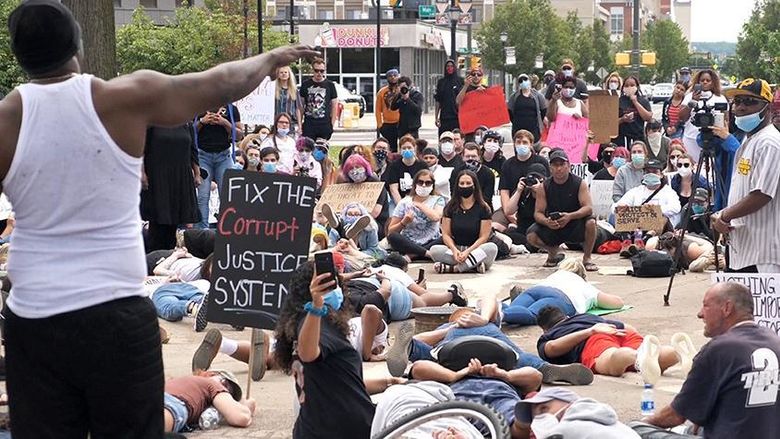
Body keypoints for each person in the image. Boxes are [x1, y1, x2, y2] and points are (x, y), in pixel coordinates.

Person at [0, 2, 316, 437]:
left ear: (19, 55)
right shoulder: (122, 98)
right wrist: (271, 58)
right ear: (78, 44)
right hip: (115, 314)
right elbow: (220, 82)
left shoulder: (6, 121)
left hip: (34, 319)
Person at [273, 262, 403, 439]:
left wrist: (389, 382)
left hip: (314, 428)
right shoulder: (319, 322)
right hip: (343, 430)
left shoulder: (300, 325)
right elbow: (308, 353)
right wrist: (316, 307)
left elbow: (339, 383)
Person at [642, 282, 780, 438]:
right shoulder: (774, 340)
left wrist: (640, 423)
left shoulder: (718, 349)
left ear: (727, 308)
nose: (700, 314)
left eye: (706, 306)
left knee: (638, 429)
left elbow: (675, 416)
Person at [387, 302, 594, 386]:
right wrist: (451, 327)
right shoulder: (447, 329)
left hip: (454, 354)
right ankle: (550, 370)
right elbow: (420, 338)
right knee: (521, 359)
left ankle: (551, 370)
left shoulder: (487, 319)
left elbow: (490, 299)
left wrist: (484, 318)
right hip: (494, 351)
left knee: (424, 355)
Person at [713, 78, 780, 273]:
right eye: (738, 101)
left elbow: (762, 194)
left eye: (750, 102)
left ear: (766, 109)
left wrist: (724, 215)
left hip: (763, 252)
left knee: (760, 304)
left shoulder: (769, 142)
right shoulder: (748, 140)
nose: (741, 107)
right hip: (743, 246)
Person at [537, 306, 690, 384]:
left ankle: (638, 356)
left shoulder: (549, 335)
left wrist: (590, 332)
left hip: (594, 340)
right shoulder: (586, 316)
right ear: (567, 316)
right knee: (654, 355)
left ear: (545, 328)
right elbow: (629, 328)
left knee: (612, 360)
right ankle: (676, 352)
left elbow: (552, 349)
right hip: (618, 332)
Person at [526, 149, 599, 271]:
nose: (559, 168)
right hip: (554, 226)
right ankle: (553, 252)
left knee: (591, 223)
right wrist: (547, 221)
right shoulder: (543, 187)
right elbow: (538, 213)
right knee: (531, 235)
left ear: (569, 166)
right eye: (555, 165)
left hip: (576, 223)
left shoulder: (579, 183)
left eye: (562, 164)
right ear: (550, 168)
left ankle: (587, 258)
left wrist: (570, 216)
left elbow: (588, 208)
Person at [502, 259, 624, 326]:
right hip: (560, 297)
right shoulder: (584, 285)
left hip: (536, 289)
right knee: (533, 315)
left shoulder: (557, 275)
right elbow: (617, 303)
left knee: (514, 308)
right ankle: (501, 315)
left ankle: (493, 308)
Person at [141, 123, 201, 251]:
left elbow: (193, 150)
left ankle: (168, 254)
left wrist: (197, 173)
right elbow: (141, 148)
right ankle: (154, 256)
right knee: (158, 221)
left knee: (174, 219)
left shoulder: (187, 123)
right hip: (157, 176)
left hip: (180, 177)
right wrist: (141, 172)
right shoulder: (152, 122)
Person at [430, 170, 498, 273]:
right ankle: (473, 265)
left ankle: (455, 268)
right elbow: (446, 234)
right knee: (434, 250)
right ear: (457, 186)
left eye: (468, 183)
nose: (465, 186)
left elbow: (484, 237)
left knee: (491, 248)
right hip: (456, 249)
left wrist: (468, 252)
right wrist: (454, 250)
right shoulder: (450, 207)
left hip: (476, 249)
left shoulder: (484, 208)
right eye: (462, 183)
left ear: (474, 185)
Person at [515, 387, 641, 439]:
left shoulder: (566, 430)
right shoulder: (615, 425)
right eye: (534, 418)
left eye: (544, 408)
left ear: (569, 403)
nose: (540, 418)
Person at [195, 102, 242, 229]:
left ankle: (228, 231)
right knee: (203, 196)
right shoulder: (197, 106)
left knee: (227, 196)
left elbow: (239, 135)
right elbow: (189, 131)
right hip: (202, 155)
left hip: (224, 156)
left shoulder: (231, 109)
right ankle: (201, 232)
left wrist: (225, 123)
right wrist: (202, 122)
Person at [163, 369, 256, 433]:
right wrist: (246, 407)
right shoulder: (212, 384)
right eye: (226, 388)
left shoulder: (178, 381)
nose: (226, 391)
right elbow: (240, 417)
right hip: (172, 404)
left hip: (154, 396)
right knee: (153, 428)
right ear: (211, 374)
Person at [495, 130, 549, 231]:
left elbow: (549, 187)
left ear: (531, 144)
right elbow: (504, 192)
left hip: (535, 204)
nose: (521, 145)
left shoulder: (541, 162)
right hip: (512, 203)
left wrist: (539, 189)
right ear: (514, 144)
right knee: (495, 226)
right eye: (518, 142)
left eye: (524, 142)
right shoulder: (508, 164)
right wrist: (508, 214)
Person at [387, 169, 446, 260]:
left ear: (432, 185)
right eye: (420, 182)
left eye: (428, 183)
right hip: (408, 243)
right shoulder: (404, 202)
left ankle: (413, 255)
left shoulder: (438, 200)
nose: (423, 185)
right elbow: (390, 231)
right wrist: (403, 222)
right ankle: (426, 254)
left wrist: (420, 205)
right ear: (415, 184)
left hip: (431, 241)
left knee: (447, 237)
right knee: (392, 237)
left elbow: (436, 217)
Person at [678, 69, 729, 162]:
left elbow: (726, 120)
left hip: (712, 139)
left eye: (708, 80)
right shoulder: (689, 96)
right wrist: (693, 102)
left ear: (713, 82)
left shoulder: (720, 98)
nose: (705, 82)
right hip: (691, 138)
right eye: (702, 80)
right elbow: (681, 117)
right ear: (697, 82)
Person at [613, 158, 682, 227]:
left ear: (661, 175)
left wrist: (655, 209)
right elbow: (614, 207)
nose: (651, 174)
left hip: (659, 231)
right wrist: (620, 207)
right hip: (637, 229)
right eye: (648, 172)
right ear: (644, 174)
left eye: (654, 172)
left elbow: (676, 207)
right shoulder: (635, 192)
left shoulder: (668, 192)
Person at [499, 163, 548, 246]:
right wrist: (518, 191)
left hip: (541, 230)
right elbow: (509, 211)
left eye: (538, 179)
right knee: (507, 234)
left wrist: (541, 192)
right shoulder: (524, 192)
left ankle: (534, 245)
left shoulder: (548, 191)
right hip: (523, 230)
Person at [299, 57, 338, 140]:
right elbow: (300, 106)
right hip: (309, 125)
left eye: (322, 71)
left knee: (322, 151)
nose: (319, 73)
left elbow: (335, 106)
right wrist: (299, 125)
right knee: (308, 150)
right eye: (316, 70)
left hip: (325, 125)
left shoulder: (330, 85)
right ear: (312, 70)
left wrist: (332, 124)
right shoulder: (305, 85)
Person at [384, 134, 428, 205]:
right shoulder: (394, 166)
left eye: (409, 147)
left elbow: (426, 186)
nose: (407, 150)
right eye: (404, 148)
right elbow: (393, 189)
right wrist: (401, 206)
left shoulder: (422, 165)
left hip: (419, 200)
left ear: (414, 148)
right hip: (399, 200)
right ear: (400, 150)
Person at [615, 75, 653, 149]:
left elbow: (648, 118)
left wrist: (635, 102)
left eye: (632, 85)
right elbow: (612, 122)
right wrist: (622, 119)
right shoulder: (619, 101)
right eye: (627, 85)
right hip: (622, 137)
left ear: (637, 87)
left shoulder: (643, 100)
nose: (629, 88)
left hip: (638, 136)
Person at [508, 73, 547, 142]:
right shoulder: (514, 97)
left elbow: (544, 109)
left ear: (529, 81)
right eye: (521, 81)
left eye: (525, 80)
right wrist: (515, 122)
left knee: (534, 148)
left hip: (534, 129)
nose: (523, 82)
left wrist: (539, 121)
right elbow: (510, 111)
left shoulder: (537, 96)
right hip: (518, 128)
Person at [434, 59, 464, 134]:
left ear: (454, 68)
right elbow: (438, 100)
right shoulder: (441, 82)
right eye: (447, 66)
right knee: (444, 138)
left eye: (451, 66)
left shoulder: (460, 81)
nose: (449, 68)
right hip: (444, 117)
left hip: (456, 117)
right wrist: (436, 117)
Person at [375, 68, 401, 151]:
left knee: (404, 146)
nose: (393, 77)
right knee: (391, 148)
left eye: (395, 75)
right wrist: (380, 124)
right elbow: (378, 109)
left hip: (401, 123)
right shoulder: (382, 92)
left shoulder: (402, 90)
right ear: (387, 78)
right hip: (387, 124)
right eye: (390, 76)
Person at [274, 65, 303, 134]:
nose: (283, 74)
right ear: (278, 75)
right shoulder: (274, 90)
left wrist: (299, 125)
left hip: (290, 122)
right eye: (281, 72)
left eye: (285, 72)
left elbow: (298, 109)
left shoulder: (294, 90)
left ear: (289, 75)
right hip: (276, 121)